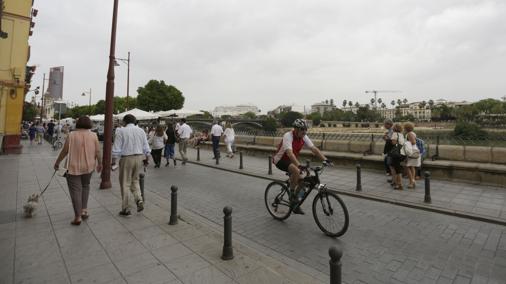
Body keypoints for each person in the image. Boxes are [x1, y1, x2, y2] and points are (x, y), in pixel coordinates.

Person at [273, 119, 330, 214]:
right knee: (296, 170)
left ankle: (295, 204)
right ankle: (292, 195)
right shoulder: (288, 136)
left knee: (304, 179)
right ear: (295, 129)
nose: (304, 132)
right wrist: (299, 166)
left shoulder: (303, 136)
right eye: (302, 129)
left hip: (291, 160)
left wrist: (325, 159)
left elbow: (314, 149)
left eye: (305, 129)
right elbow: (290, 154)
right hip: (280, 160)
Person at [54, 116, 102, 226]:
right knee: (85, 186)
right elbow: (98, 151)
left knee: (75, 190)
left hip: (73, 167)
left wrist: (57, 162)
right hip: (89, 166)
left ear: (78, 124)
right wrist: (100, 163)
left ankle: (77, 216)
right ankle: (84, 210)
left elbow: (65, 151)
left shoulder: (72, 135)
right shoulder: (94, 135)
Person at [111, 114, 151, 216]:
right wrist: (147, 159)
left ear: (125, 122)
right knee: (135, 181)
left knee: (125, 183)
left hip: (126, 158)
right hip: (139, 157)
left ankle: (126, 208)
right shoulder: (141, 131)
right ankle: (139, 199)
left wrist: (113, 162)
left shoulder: (121, 131)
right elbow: (146, 147)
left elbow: (116, 149)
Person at [403, 122, 421, 188]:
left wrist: (407, 143)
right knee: (412, 167)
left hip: (411, 151)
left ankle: (411, 182)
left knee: (407, 167)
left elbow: (413, 142)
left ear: (406, 128)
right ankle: (412, 181)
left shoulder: (409, 134)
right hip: (414, 150)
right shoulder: (413, 133)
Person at [389, 123, 405, 190]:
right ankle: (395, 181)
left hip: (396, 154)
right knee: (393, 166)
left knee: (397, 169)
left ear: (394, 128)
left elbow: (393, 143)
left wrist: (388, 140)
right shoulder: (401, 135)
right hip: (401, 153)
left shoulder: (395, 134)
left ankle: (399, 184)